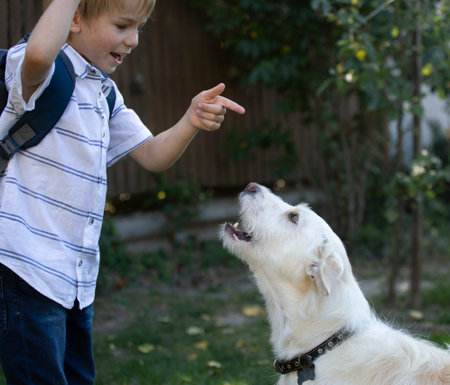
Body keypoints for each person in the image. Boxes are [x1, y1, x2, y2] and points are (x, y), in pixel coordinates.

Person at [0, 0, 245, 384]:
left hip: (75, 278)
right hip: (25, 267)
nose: (132, 41)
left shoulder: (104, 93)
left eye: (139, 29)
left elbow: (152, 154)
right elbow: (39, 53)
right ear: (75, 18)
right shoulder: (42, 73)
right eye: (121, 26)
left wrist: (190, 120)